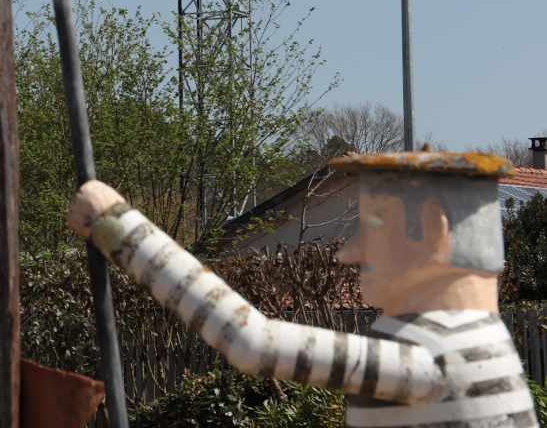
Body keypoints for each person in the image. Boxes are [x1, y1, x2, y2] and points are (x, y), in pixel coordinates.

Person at [68, 149, 537, 428]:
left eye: (374, 223)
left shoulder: (437, 356)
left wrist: (118, 229)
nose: (350, 251)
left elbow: (255, 343)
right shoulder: (482, 343)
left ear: (434, 229)